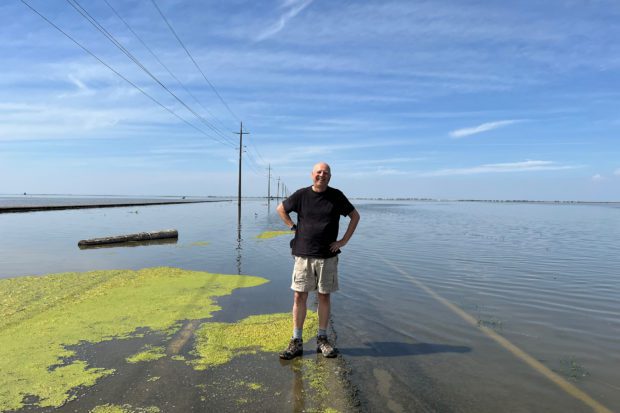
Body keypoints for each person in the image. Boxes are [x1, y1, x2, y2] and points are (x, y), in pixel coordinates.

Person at [276, 162, 360, 359]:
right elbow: (281, 208)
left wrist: (343, 241)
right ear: (312, 175)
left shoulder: (336, 195)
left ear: (330, 176)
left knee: (324, 296)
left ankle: (322, 339)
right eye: (319, 172)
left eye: (326, 172)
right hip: (303, 254)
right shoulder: (301, 195)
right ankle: (296, 341)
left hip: (327, 256)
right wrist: (292, 227)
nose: (322, 175)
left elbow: (355, 216)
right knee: (299, 296)